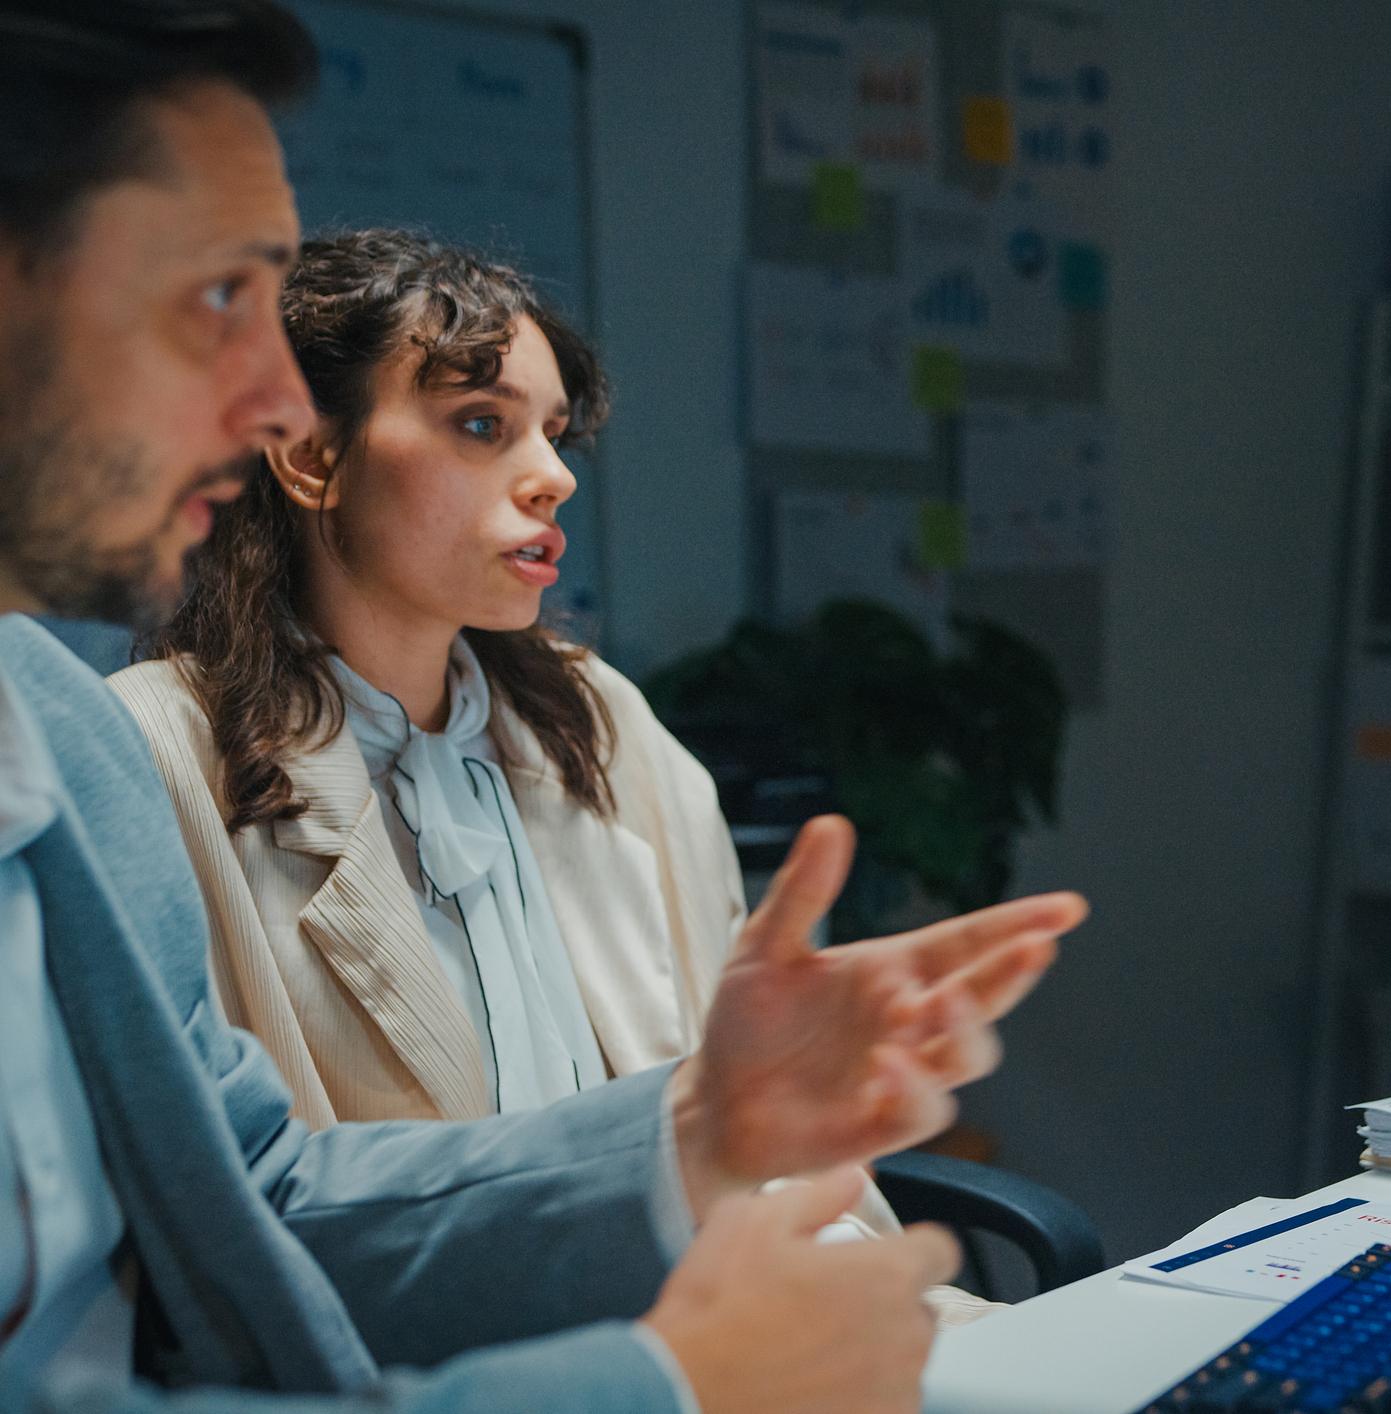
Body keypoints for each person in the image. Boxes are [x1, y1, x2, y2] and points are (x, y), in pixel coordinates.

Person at [0, 3, 1083, 1410]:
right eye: (219, 298)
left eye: (552, 433)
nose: (275, 404)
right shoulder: (143, 739)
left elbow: (260, 1210)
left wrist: (703, 1122)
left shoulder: (55, 736)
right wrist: (660, 1384)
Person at [109, 227, 995, 1322]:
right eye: (482, 426)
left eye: (556, 435)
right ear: (309, 455)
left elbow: (742, 1125)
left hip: (713, 1317)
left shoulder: (598, 718)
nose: (556, 476)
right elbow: (225, 1248)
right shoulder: (153, 755)